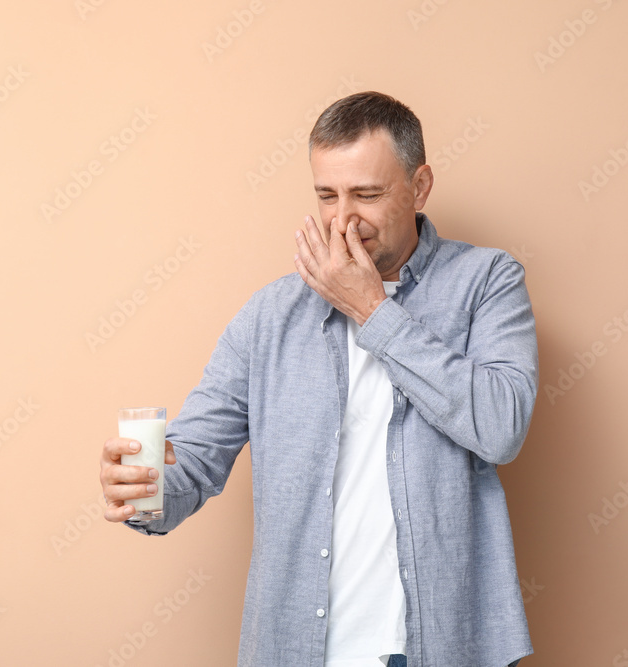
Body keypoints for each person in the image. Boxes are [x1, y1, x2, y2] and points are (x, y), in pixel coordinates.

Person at [99, 91, 539, 667]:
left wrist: (372, 311)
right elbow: (196, 460)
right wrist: (146, 489)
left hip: (442, 646)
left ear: (420, 186)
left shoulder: (487, 281)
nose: (342, 218)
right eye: (327, 195)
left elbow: (501, 426)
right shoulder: (269, 316)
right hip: (299, 650)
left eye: (367, 194)